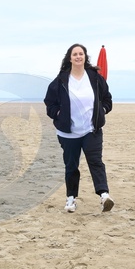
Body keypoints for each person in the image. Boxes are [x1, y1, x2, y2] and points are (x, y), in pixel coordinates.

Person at [44, 43, 114, 213]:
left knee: (95, 162)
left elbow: (107, 99)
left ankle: (104, 195)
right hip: (68, 133)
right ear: (70, 58)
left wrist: (102, 111)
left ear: (85, 57)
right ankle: (71, 199)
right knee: (71, 166)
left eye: (81, 54)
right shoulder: (61, 80)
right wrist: (58, 114)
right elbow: (49, 103)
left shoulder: (94, 78)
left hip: (91, 130)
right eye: (75, 54)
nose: (78, 56)